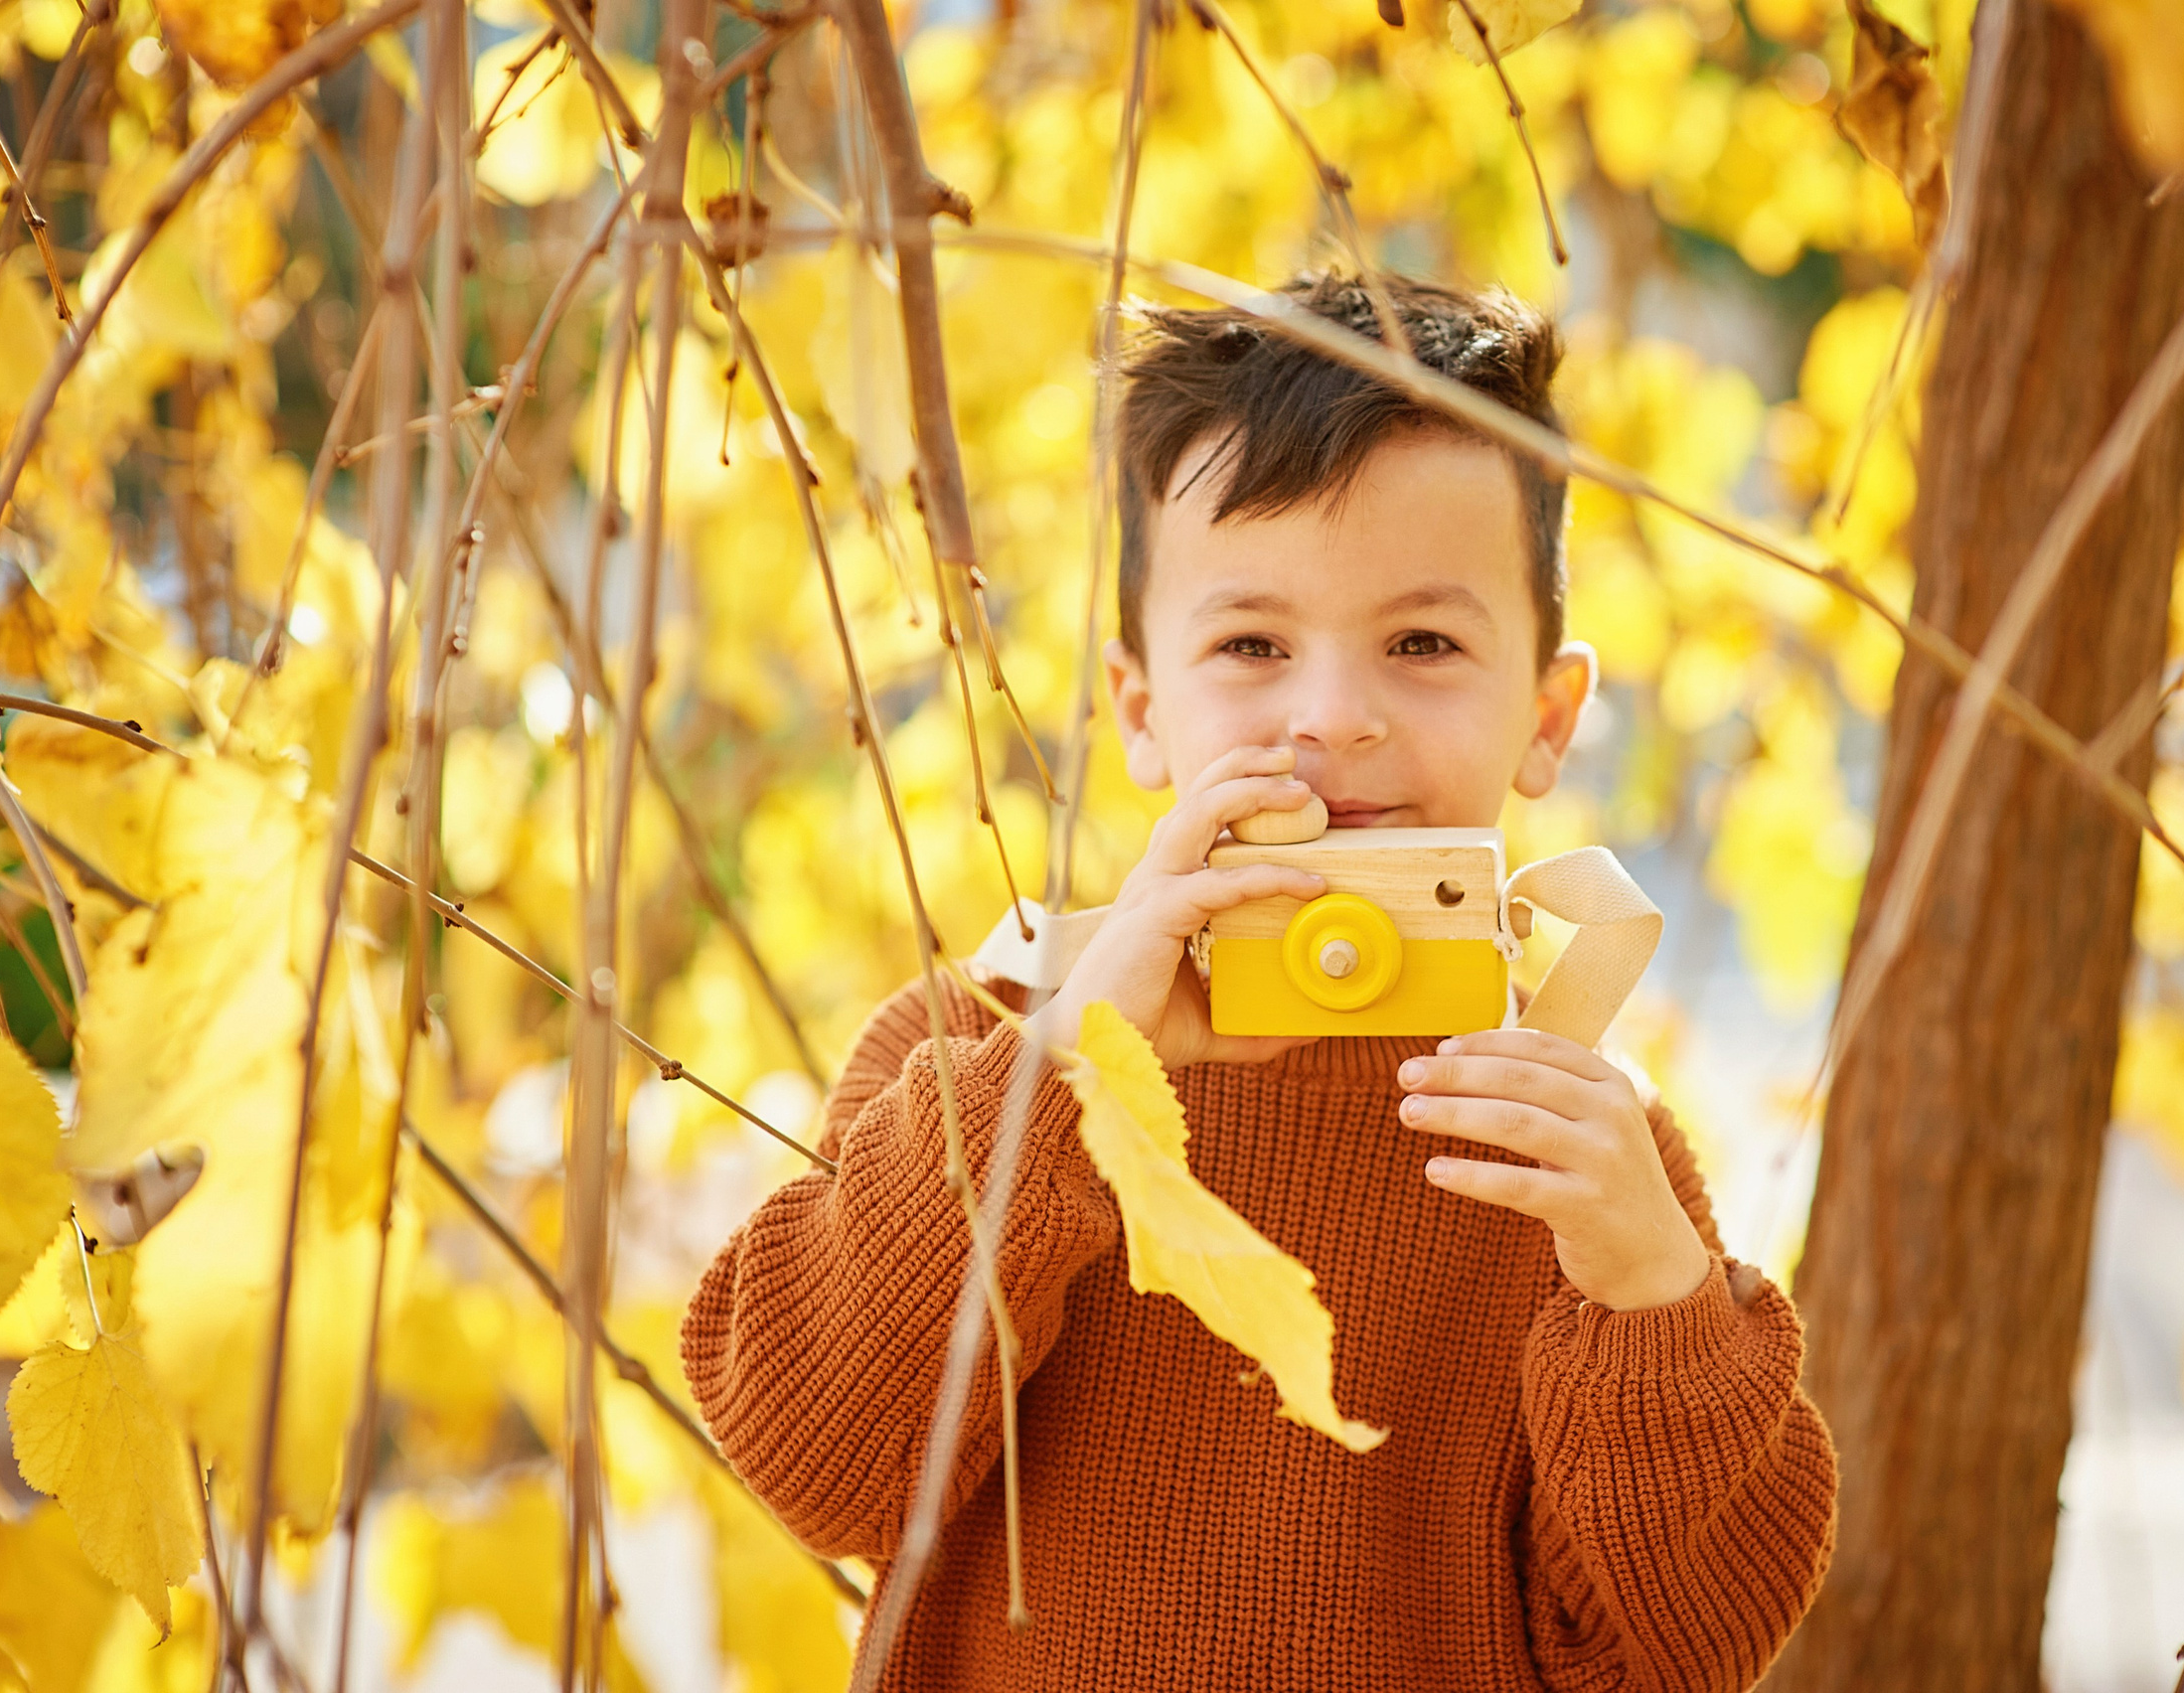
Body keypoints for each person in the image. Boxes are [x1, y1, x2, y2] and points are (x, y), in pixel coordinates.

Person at [682, 272, 1836, 1690]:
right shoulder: (984, 1044)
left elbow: (1674, 1653)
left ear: (1546, 718)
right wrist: (1065, 1085)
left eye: (1422, 644)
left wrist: (1656, 1297)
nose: (1333, 717)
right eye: (1252, 646)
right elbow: (817, 1464)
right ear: (1143, 712)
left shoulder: (1565, 1145)